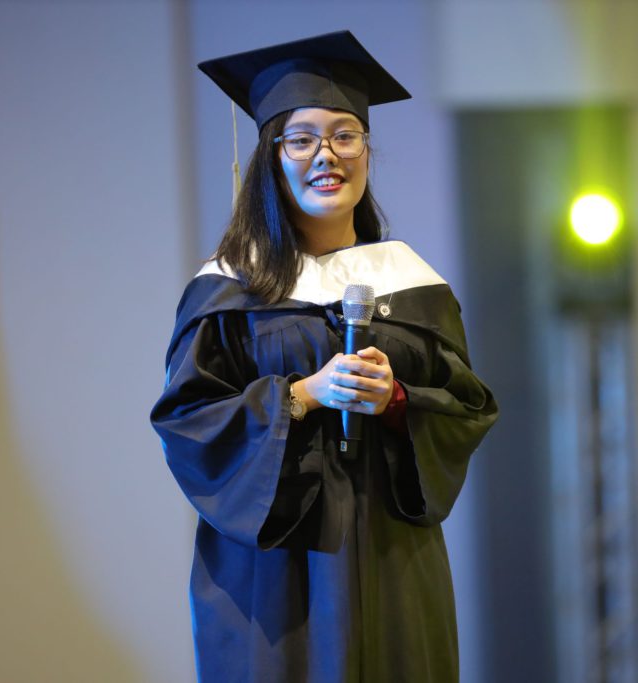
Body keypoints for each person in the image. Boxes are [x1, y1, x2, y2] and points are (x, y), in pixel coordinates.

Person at [150, 31, 498, 683]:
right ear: (272, 156)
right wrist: (302, 393)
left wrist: (395, 400)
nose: (326, 155)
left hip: (394, 567)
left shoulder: (413, 286)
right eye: (302, 137)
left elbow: (467, 410)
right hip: (272, 585)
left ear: (367, 149)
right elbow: (188, 423)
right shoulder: (229, 288)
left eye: (345, 134)